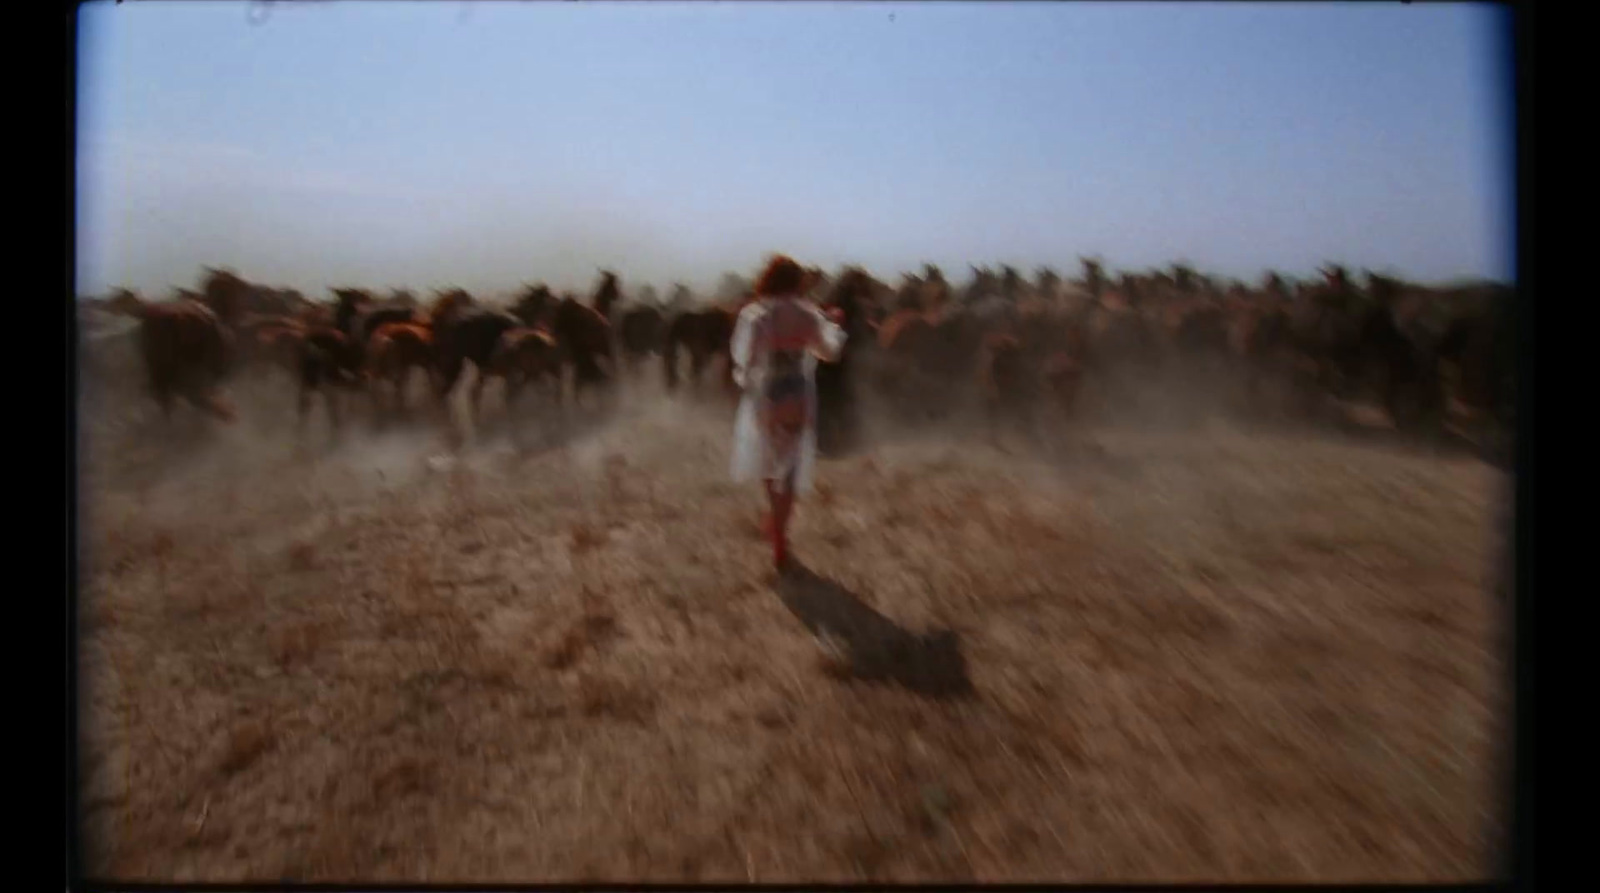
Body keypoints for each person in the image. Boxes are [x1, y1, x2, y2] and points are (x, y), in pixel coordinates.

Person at [730, 255, 848, 570]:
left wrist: (750, 387)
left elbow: (747, 364)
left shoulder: (757, 317)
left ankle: (777, 532)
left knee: (770, 463)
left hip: (768, 395)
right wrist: (834, 324)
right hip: (798, 394)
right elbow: (829, 354)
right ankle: (782, 531)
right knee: (792, 466)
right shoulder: (808, 315)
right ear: (797, 282)